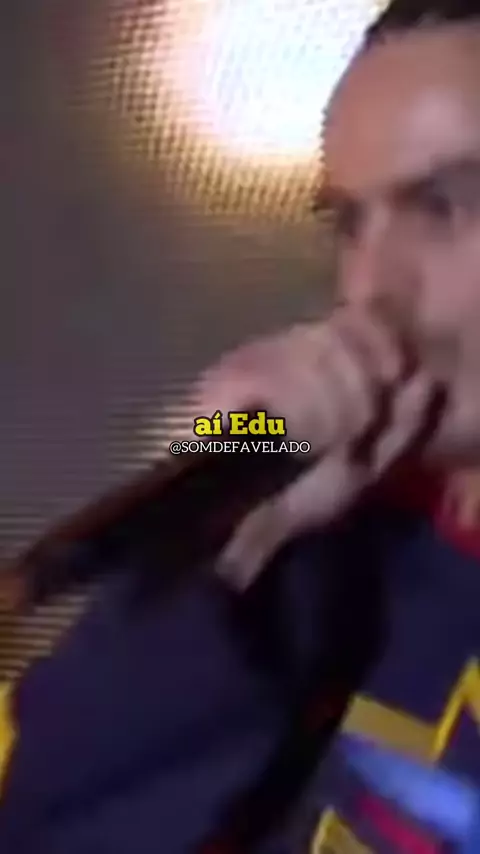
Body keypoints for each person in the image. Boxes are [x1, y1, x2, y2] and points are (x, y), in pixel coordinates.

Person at [2, 0, 480, 851]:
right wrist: (227, 513)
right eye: (350, 223)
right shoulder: (321, 553)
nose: (370, 290)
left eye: (446, 205)